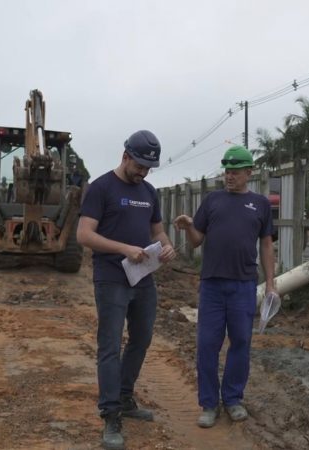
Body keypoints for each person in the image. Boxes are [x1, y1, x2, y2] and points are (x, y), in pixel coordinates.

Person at [76, 129, 176, 450]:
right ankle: (110, 415)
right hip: (111, 278)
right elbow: (84, 235)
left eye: (149, 168)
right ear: (125, 156)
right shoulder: (101, 188)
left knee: (143, 338)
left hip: (143, 277)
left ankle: (124, 396)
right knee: (109, 345)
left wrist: (167, 245)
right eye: (139, 166)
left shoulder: (149, 191)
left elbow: (157, 229)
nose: (143, 173)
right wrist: (123, 249)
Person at [173, 145, 276, 429]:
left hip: (244, 285)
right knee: (207, 344)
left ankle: (232, 399)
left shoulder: (261, 205)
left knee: (241, 342)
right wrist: (188, 225)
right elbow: (196, 241)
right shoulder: (212, 201)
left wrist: (270, 283)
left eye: (235, 172)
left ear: (248, 172)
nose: (230, 176)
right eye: (227, 171)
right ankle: (209, 403)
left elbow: (267, 245)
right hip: (212, 286)